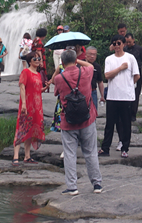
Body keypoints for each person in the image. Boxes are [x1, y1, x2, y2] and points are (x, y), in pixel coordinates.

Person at [53, 49, 103, 195]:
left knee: (69, 154)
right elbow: (90, 65)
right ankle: (97, 184)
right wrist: (77, 61)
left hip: (68, 122)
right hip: (87, 119)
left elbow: (56, 92)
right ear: (76, 61)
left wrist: (60, 69)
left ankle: (72, 187)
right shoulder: (86, 72)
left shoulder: (59, 78)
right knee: (91, 152)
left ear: (62, 63)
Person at [101, 35, 139, 158]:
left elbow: (136, 75)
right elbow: (107, 75)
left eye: (119, 43)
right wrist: (120, 68)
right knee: (109, 124)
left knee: (126, 124)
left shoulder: (130, 58)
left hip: (126, 96)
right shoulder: (109, 59)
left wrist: (128, 86)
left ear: (123, 44)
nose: (117, 45)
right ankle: (105, 148)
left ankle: (125, 148)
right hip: (112, 96)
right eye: (114, 43)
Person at [12, 51, 46, 164]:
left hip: (37, 106)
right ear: (29, 61)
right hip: (27, 104)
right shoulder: (25, 72)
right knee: (22, 128)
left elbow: (38, 90)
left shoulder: (38, 74)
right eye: (34, 59)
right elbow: (22, 87)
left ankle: (27, 156)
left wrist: (46, 87)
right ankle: (16, 156)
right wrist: (24, 104)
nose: (37, 61)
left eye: (39, 59)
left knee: (31, 130)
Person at [124, 33, 142, 118]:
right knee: (127, 93)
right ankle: (126, 112)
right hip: (127, 73)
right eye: (127, 42)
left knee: (136, 93)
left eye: (129, 42)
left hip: (137, 73)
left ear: (133, 40)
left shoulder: (139, 49)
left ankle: (133, 114)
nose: (128, 44)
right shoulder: (124, 49)